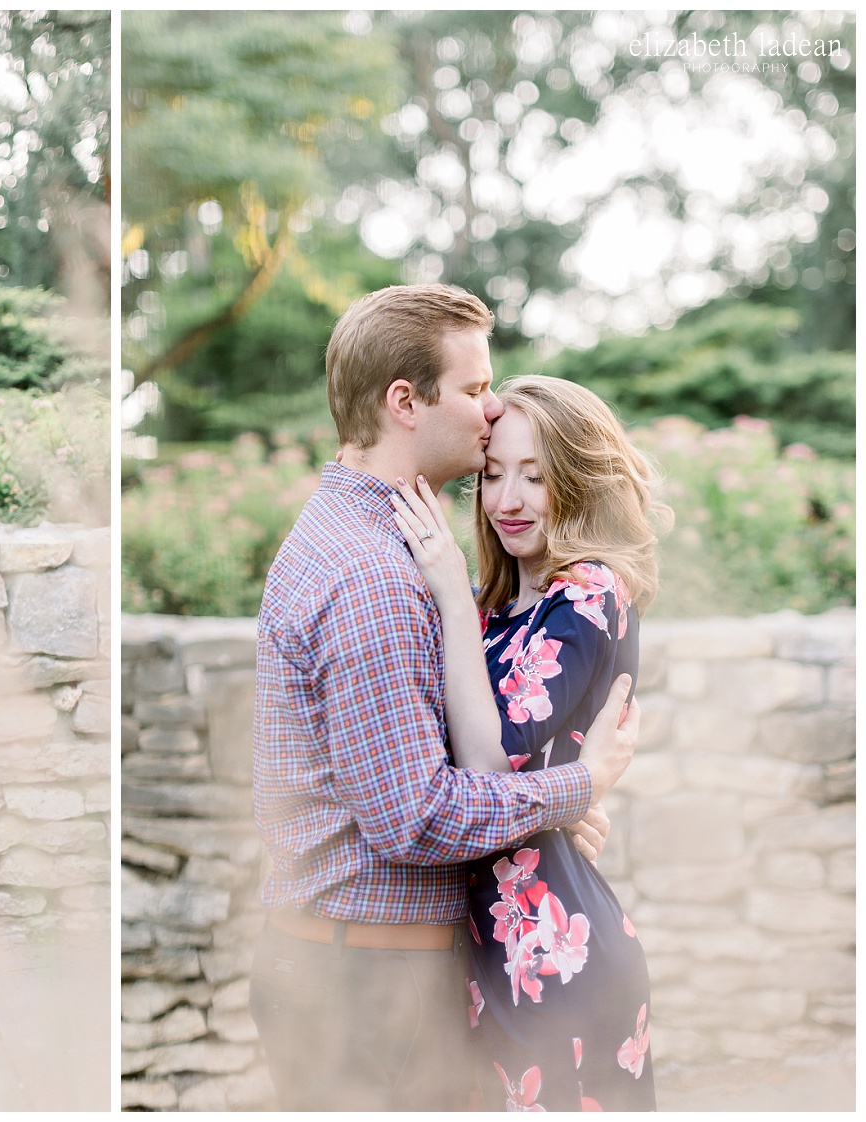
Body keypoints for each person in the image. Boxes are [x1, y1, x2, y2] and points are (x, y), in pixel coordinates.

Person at [249, 284, 642, 1111]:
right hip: (368, 984)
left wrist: (549, 814)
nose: (489, 405)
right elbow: (415, 816)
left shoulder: (375, 543)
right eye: (472, 388)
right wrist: (574, 789)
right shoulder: (374, 580)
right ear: (405, 401)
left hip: (369, 968)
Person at [388, 375, 666, 1111]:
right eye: (492, 474)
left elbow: (489, 760)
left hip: (552, 951)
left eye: (535, 477)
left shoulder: (589, 591)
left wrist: (446, 587)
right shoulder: (498, 610)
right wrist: (570, 803)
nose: (507, 500)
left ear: (576, 478)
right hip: (488, 950)